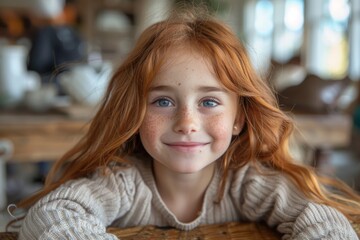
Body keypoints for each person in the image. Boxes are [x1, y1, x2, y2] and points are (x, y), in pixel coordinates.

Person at [11, 7, 360, 239]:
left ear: (239, 118)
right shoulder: (121, 183)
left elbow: (323, 221)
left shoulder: (247, 183)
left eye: (209, 102)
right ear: (135, 111)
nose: (187, 122)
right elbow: (53, 216)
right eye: (163, 101)